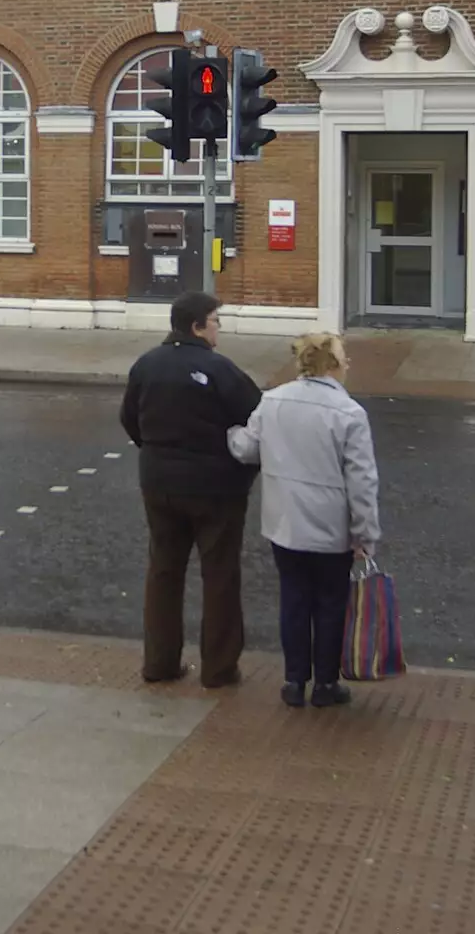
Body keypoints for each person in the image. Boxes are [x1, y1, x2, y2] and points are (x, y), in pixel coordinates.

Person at [227, 331, 380, 709]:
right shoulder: (349, 413)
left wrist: (230, 432)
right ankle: (326, 684)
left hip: (285, 524)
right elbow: (361, 481)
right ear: (331, 364)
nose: (348, 364)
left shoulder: (273, 401)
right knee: (330, 604)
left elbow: (246, 448)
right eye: (344, 358)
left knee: (294, 600)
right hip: (332, 529)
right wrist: (365, 533)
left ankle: (295, 680)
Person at [121, 290, 261, 689]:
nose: (219, 328)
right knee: (219, 575)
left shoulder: (146, 365)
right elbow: (257, 417)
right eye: (215, 320)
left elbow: (130, 419)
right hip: (216, 487)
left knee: (164, 572)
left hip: (159, 483)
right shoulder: (220, 370)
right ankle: (219, 668)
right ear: (198, 326)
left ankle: (160, 663)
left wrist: (156, 450)